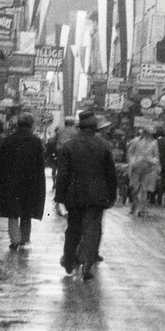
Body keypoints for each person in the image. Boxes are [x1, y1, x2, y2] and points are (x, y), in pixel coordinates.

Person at [56, 108, 118, 278]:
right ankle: (87, 265)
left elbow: (62, 174)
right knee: (92, 229)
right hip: (97, 196)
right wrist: (112, 195)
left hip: (74, 195)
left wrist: (59, 196)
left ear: (79, 128)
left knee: (73, 229)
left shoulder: (68, 146)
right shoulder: (104, 146)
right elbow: (111, 174)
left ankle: (69, 261)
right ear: (95, 128)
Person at [0, 111, 46, 250]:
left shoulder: (9, 140)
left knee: (13, 211)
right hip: (30, 181)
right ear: (31, 125)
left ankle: (15, 239)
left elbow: (1, 163)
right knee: (27, 210)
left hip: (11, 181)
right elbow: (40, 164)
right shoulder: (36, 141)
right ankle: (25, 238)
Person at [127, 131, 161, 217]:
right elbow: (130, 152)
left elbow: (156, 155)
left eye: (148, 132)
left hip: (147, 168)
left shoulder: (154, 143)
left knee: (144, 189)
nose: (146, 134)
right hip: (136, 168)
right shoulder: (135, 141)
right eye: (145, 132)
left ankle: (142, 209)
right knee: (134, 188)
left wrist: (156, 164)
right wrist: (132, 162)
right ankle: (134, 205)